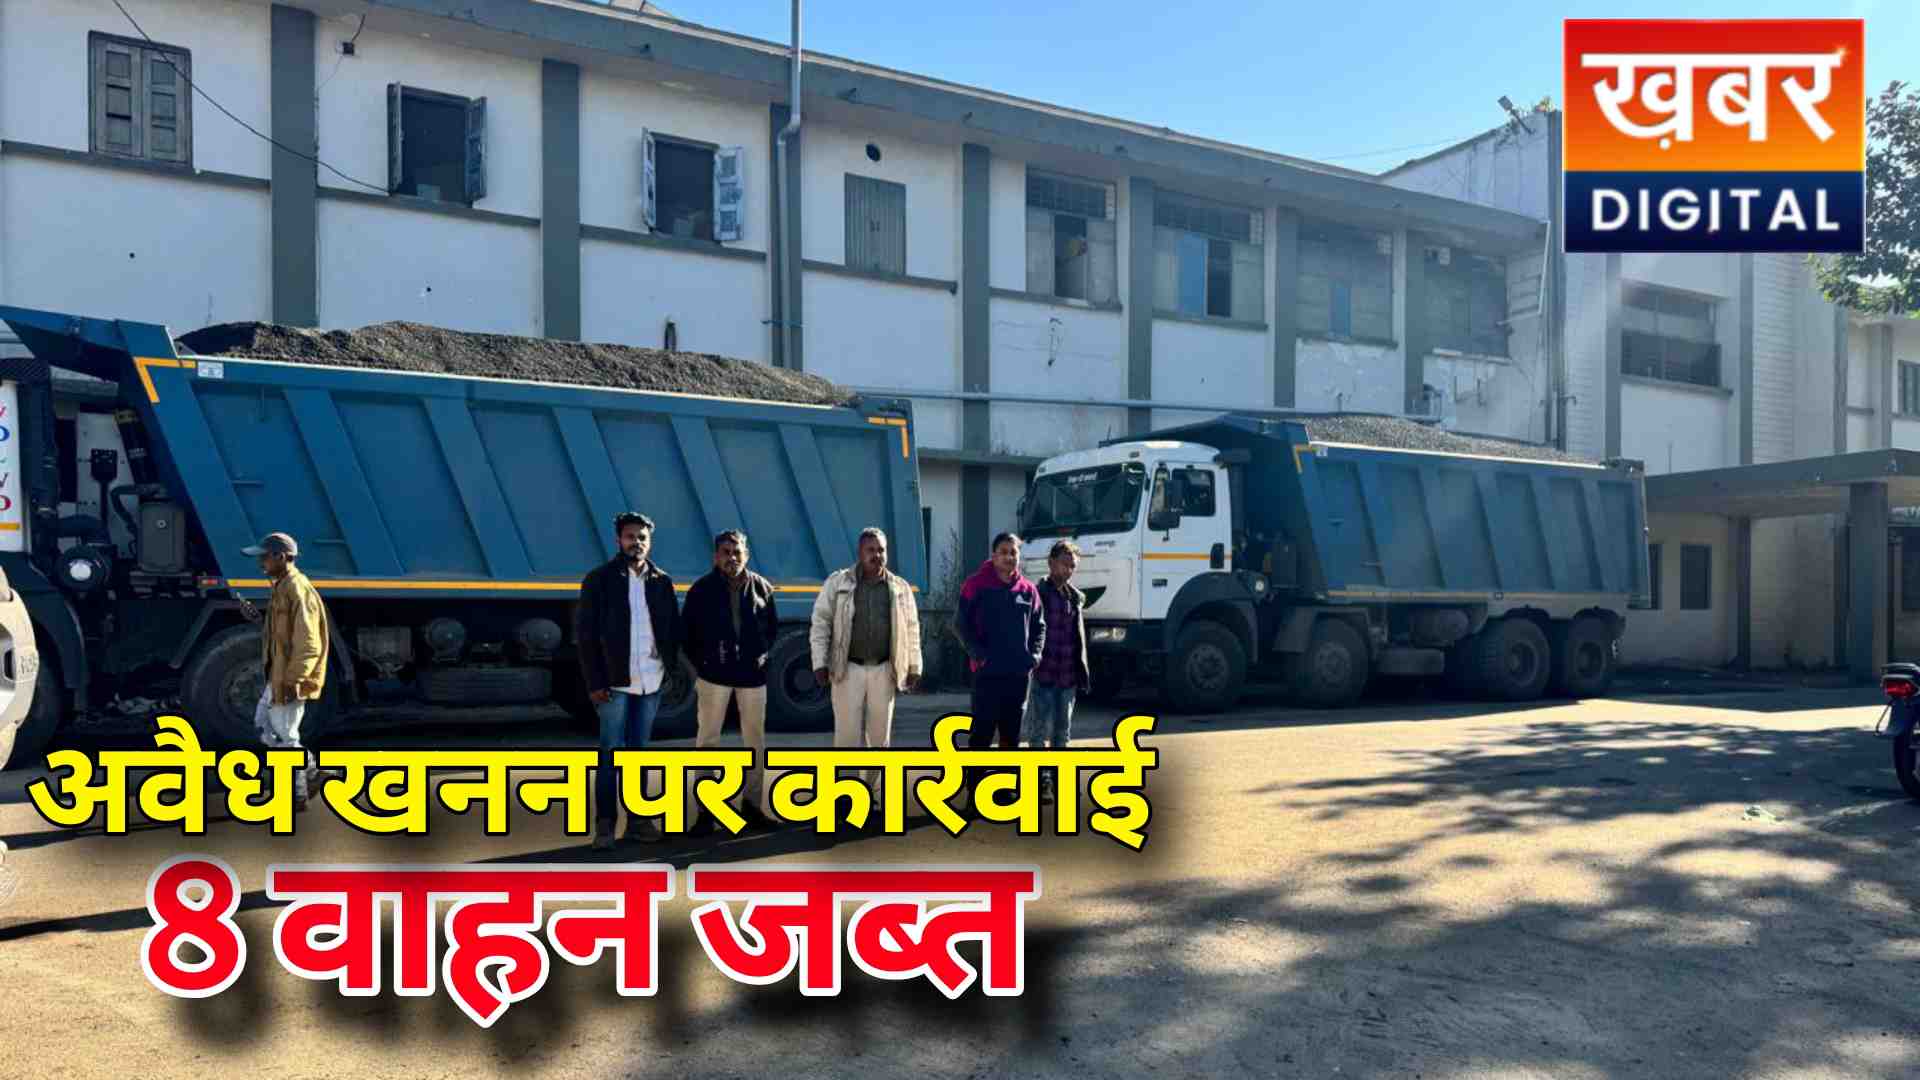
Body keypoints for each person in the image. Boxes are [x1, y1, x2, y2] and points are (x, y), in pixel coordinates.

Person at [575, 512, 679, 850]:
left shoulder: (661, 581)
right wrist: (595, 683)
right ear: (619, 540)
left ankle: (638, 821)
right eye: (631, 536)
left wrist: (670, 671)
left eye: (642, 537)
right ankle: (605, 826)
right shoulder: (600, 579)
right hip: (614, 683)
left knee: (639, 752)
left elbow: (671, 630)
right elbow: (586, 636)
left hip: (651, 681)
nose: (637, 542)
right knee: (610, 752)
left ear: (650, 542)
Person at [810, 527, 922, 796]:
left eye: (881, 550)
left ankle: (870, 791)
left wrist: (914, 666)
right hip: (847, 669)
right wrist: (819, 662)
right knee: (846, 736)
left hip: (884, 670)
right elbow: (821, 622)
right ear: (860, 553)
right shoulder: (839, 583)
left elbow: (912, 628)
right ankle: (846, 793)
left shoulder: (900, 588)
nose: (877, 555)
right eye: (871, 550)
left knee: (879, 738)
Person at [681, 529, 779, 826]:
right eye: (726, 552)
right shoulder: (701, 590)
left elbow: (771, 629)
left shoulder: (762, 587)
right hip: (714, 676)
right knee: (707, 741)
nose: (732, 557)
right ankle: (705, 813)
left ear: (746, 555)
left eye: (737, 552)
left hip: (752, 677)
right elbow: (688, 633)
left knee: (755, 742)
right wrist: (705, 663)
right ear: (716, 556)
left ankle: (752, 806)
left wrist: (760, 656)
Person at [241, 532, 331, 811]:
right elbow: (284, 634)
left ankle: (297, 795)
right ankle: (312, 773)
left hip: (288, 678)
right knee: (264, 726)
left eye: (264, 557)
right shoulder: (282, 586)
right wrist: (259, 619)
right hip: (278, 675)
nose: (260, 563)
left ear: (281, 557)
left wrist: (295, 680)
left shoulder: (297, 589)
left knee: (284, 736)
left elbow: (309, 642)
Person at [953, 532, 1045, 762]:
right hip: (987, 673)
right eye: (1003, 552)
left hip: (1018, 675)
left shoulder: (1028, 590)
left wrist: (1034, 656)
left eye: (1013, 552)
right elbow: (960, 624)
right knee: (981, 735)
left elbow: (1039, 627)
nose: (1009, 557)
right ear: (993, 556)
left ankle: (1006, 783)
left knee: (1011, 737)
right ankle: (975, 782)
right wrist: (976, 653)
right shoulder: (975, 584)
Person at [1026, 540, 1090, 803]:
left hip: (1067, 677)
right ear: (1051, 563)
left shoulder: (1075, 599)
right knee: (1038, 732)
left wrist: (1081, 672)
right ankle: (1041, 783)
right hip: (1043, 674)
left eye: (1073, 566)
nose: (1068, 570)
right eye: (1065, 564)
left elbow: (1078, 640)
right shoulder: (1037, 594)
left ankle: (1060, 779)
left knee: (1062, 733)